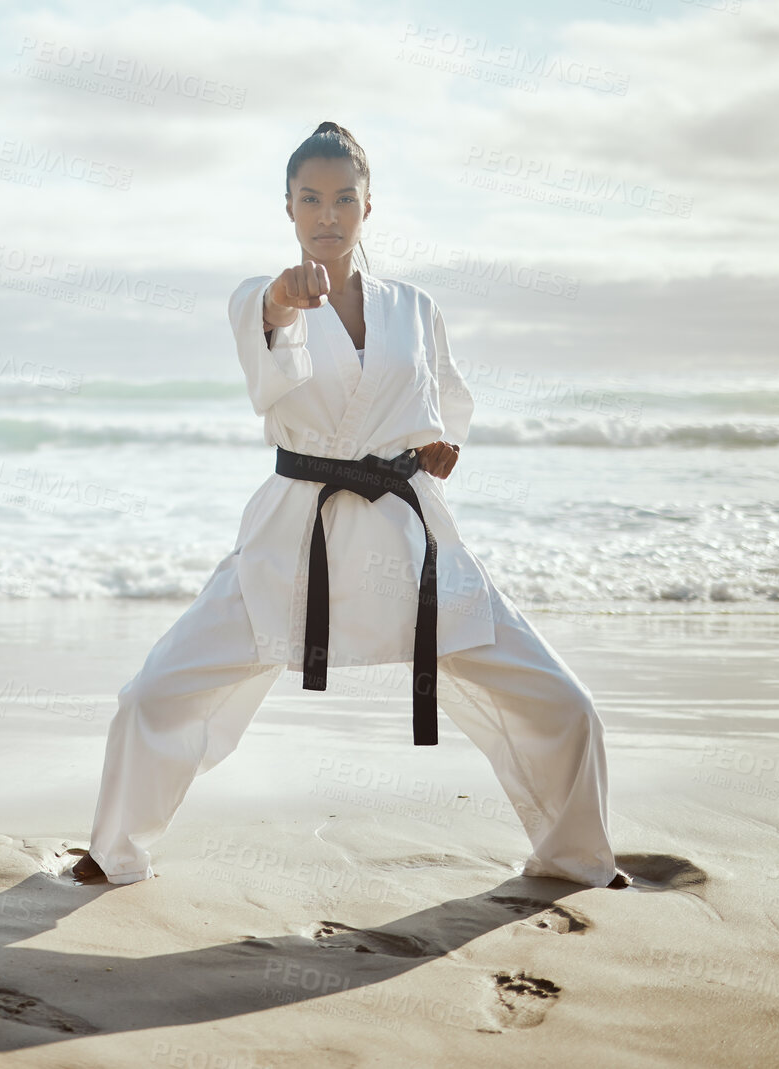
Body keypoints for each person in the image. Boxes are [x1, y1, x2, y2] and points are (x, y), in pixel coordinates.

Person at [73, 121, 627, 891]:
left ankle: (576, 854)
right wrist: (284, 296)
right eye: (310, 199)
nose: (326, 214)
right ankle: (113, 850)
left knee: (566, 703)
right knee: (153, 693)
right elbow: (268, 342)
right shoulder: (263, 296)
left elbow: (445, 411)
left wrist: (439, 450)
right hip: (296, 544)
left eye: (343, 199)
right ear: (289, 208)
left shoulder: (415, 307)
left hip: (410, 543)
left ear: (370, 207)